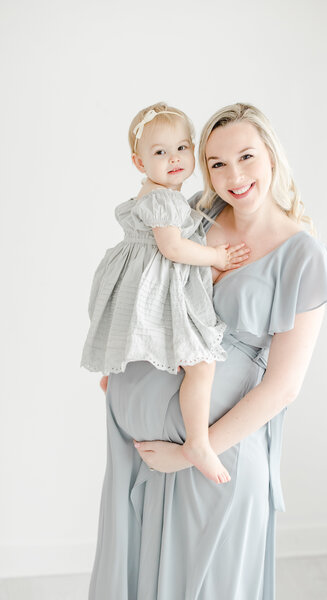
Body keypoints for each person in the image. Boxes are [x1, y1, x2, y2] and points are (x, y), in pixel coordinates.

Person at [88, 103, 327, 600]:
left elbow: (283, 387)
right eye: (217, 163)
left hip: (214, 456)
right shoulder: (196, 220)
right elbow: (138, 284)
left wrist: (189, 453)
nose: (234, 175)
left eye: (246, 156)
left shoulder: (304, 254)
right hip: (139, 451)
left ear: (271, 154)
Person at [81, 102, 251, 484]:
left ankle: (114, 374)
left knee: (136, 331)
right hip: (151, 280)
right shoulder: (164, 199)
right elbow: (173, 249)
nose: (174, 158)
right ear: (139, 163)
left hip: (134, 277)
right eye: (160, 152)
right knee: (201, 363)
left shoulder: (160, 194)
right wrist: (216, 256)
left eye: (182, 148)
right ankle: (197, 441)